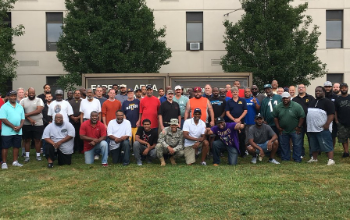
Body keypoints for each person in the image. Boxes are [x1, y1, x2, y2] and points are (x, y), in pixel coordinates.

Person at [307, 86, 335, 165]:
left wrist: (327, 124)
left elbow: (331, 114)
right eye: (316, 91)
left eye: (319, 91)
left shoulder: (328, 102)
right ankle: (314, 158)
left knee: (326, 144)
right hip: (312, 128)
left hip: (322, 128)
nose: (317, 92)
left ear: (324, 92)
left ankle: (330, 160)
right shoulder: (313, 101)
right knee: (313, 145)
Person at [273, 92, 305, 162]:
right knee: (284, 144)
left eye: (286, 98)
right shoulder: (278, 107)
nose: (285, 100)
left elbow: (302, 116)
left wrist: (299, 127)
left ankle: (297, 158)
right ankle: (285, 158)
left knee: (297, 144)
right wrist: (278, 127)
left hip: (295, 129)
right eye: (283, 98)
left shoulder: (297, 106)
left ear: (290, 98)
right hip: (283, 130)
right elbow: (275, 117)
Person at [0, 90, 25, 169]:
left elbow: (23, 118)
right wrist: (13, 127)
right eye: (11, 96)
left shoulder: (20, 106)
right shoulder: (4, 106)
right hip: (7, 131)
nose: (13, 97)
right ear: (8, 97)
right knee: (5, 147)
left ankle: (15, 161)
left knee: (16, 146)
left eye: (14, 96)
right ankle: (4, 163)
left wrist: (20, 126)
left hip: (18, 131)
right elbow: (3, 119)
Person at [20, 88, 44, 162]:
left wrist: (26, 114)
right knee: (27, 140)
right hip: (26, 124)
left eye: (32, 93)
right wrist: (29, 119)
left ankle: (38, 155)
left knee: (37, 140)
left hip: (38, 123)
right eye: (30, 93)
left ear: (35, 92)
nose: (31, 94)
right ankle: (27, 156)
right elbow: (20, 111)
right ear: (28, 92)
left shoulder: (39, 100)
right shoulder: (23, 101)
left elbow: (39, 110)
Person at [292, 84, 315, 158]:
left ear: (305, 89)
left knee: (311, 139)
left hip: (309, 122)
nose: (301, 89)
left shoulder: (310, 98)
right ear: (297, 89)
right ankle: (301, 153)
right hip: (299, 123)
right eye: (299, 88)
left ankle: (312, 154)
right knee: (299, 139)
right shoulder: (295, 99)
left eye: (302, 87)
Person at [226, 86, 247, 157]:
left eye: (236, 92)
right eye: (233, 92)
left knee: (241, 137)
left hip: (241, 121)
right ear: (231, 93)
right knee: (232, 137)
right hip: (231, 122)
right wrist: (234, 120)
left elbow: (245, 110)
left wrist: (239, 119)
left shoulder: (242, 100)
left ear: (238, 92)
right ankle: (234, 152)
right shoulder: (229, 101)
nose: (235, 93)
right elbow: (227, 112)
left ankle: (242, 153)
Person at [335, 83, 350, 158]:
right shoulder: (338, 99)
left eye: (345, 88)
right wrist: (336, 120)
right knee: (343, 138)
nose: (344, 89)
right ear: (340, 89)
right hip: (341, 122)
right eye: (342, 88)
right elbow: (335, 111)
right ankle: (346, 152)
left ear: (347, 88)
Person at [324, 81, 338, 148]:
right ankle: (322, 148)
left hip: (333, 118)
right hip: (323, 117)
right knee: (322, 133)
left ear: (331, 87)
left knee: (333, 135)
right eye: (326, 87)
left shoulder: (335, 97)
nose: (327, 88)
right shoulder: (322, 96)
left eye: (329, 87)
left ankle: (331, 148)